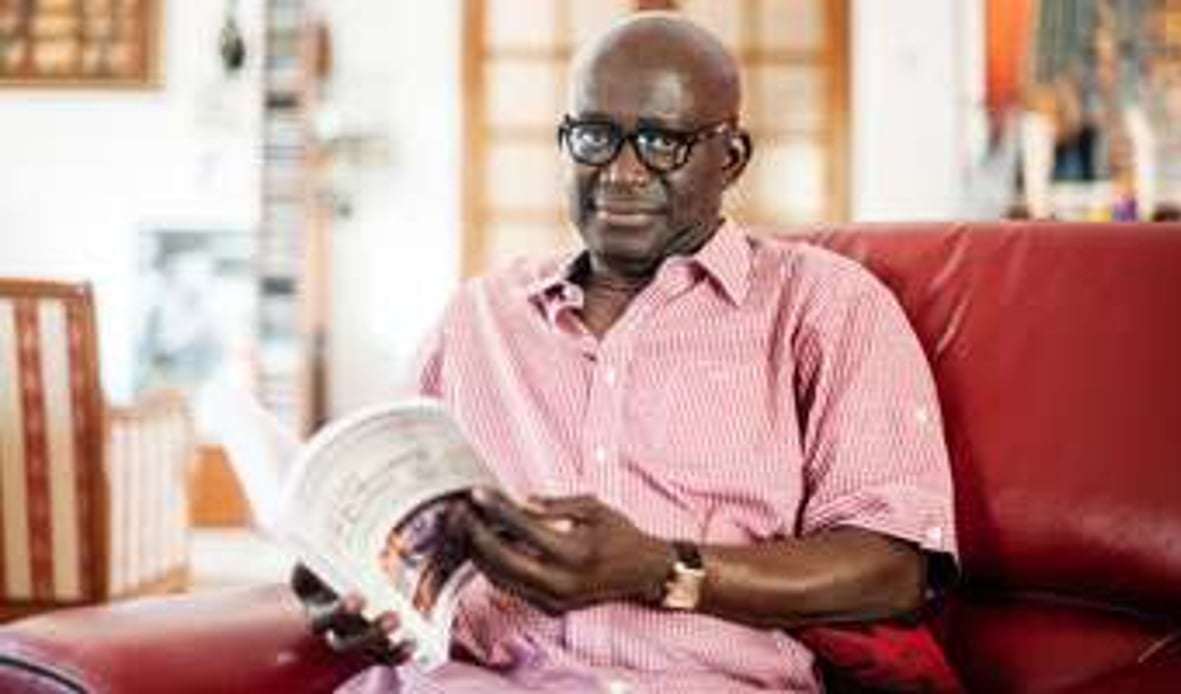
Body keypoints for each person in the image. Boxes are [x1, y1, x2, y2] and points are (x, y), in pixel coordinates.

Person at [295, 12, 957, 692]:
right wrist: (347, 585)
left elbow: (893, 571)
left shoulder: (824, 305)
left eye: (661, 142)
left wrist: (661, 570)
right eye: (593, 137)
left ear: (729, 158)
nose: (620, 172)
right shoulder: (478, 317)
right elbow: (391, 521)